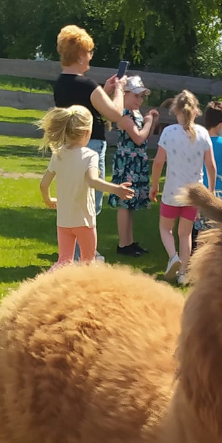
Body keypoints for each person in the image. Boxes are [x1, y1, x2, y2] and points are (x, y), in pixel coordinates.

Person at [52, 25, 130, 244]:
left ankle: (76, 253)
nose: (90, 57)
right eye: (88, 52)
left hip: (68, 149)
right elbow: (115, 113)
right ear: (79, 55)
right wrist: (120, 89)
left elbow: (84, 107)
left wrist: (104, 91)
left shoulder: (60, 84)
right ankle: (84, 256)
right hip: (91, 146)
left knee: (73, 202)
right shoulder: (87, 85)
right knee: (89, 206)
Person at [38, 106, 133, 265]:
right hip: (84, 221)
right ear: (87, 132)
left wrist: (47, 199)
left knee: (63, 261)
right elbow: (93, 181)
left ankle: (49, 286)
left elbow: (43, 184)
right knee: (88, 262)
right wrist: (116, 189)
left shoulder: (58, 154)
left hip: (63, 221)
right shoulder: (90, 156)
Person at [150, 90, 216, 286]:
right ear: (196, 111)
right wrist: (210, 192)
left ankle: (173, 256)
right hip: (193, 194)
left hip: (171, 191)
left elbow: (158, 162)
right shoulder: (203, 133)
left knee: (165, 228)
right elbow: (211, 165)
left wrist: (154, 184)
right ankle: (183, 273)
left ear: (175, 110)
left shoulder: (168, 132)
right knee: (185, 234)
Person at [109, 75, 158, 257]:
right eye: (136, 96)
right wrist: (148, 122)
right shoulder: (123, 114)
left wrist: (149, 122)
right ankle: (123, 244)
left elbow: (144, 136)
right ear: (125, 94)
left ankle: (129, 242)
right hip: (127, 162)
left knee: (131, 204)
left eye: (141, 96)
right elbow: (138, 137)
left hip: (136, 161)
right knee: (125, 203)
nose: (139, 100)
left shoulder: (135, 114)